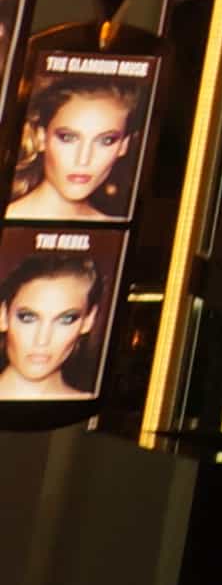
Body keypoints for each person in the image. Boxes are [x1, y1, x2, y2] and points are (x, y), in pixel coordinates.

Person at [6, 75, 140, 223]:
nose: (83, 159)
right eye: (68, 138)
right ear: (41, 137)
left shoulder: (118, 231)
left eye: (106, 140)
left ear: (123, 146)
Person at [1, 246, 101, 402]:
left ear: (88, 321)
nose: (42, 340)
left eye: (66, 319)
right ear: (3, 316)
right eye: (28, 317)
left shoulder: (93, 410)